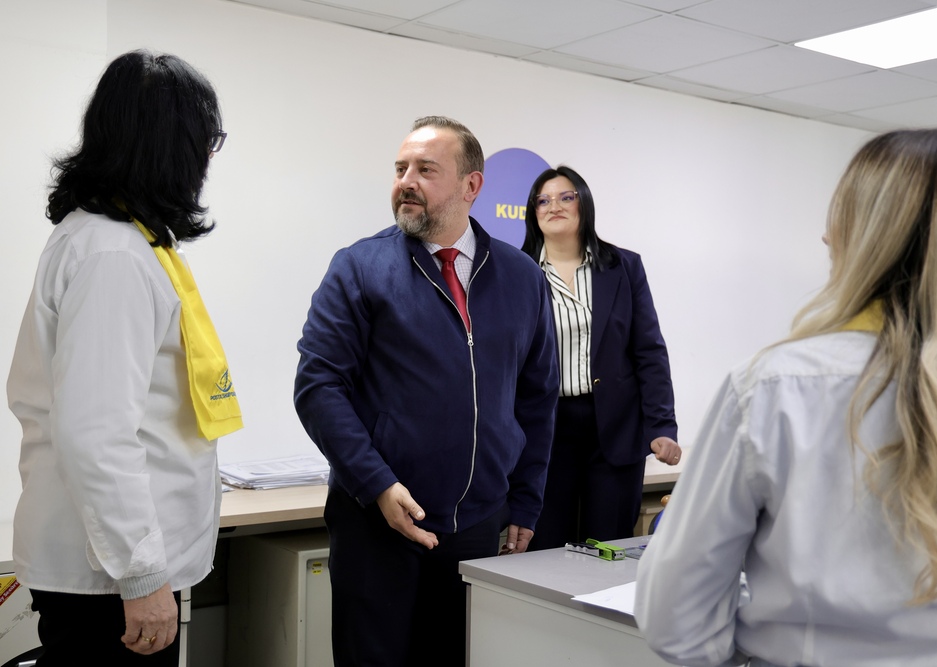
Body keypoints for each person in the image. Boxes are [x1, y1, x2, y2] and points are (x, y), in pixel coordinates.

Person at [635, 128, 937, 666]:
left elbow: (677, 622)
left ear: (877, 238)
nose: (827, 238)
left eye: (843, 217)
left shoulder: (775, 389)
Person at [293, 115, 559, 666]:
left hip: (478, 525)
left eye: (425, 170)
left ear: (471, 185)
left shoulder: (521, 277)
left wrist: (526, 500)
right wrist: (376, 482)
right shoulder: (359, 267)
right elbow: (319, 385)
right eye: (400, 169)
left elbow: (536, 399)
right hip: (378, 521)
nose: (406, 182)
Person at [6, 50, 241, 666]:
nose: (208, 157)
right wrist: (141, 576)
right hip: (108, 580)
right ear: (171, 145)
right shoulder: (115, 256)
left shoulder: (119, 242)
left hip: (111, 567)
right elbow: (96, 432)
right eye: (207, 139)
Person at [520, 165, 680, 550]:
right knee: (543, 552)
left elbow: (649, 351)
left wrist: (662, 427)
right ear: (533, 212)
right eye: (543, 200)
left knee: (608, 548)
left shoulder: (623, 267)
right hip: (544, 430)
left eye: (566, 197)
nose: (554, 206)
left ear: (584, 204)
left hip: (615, 427)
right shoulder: (517, 271)